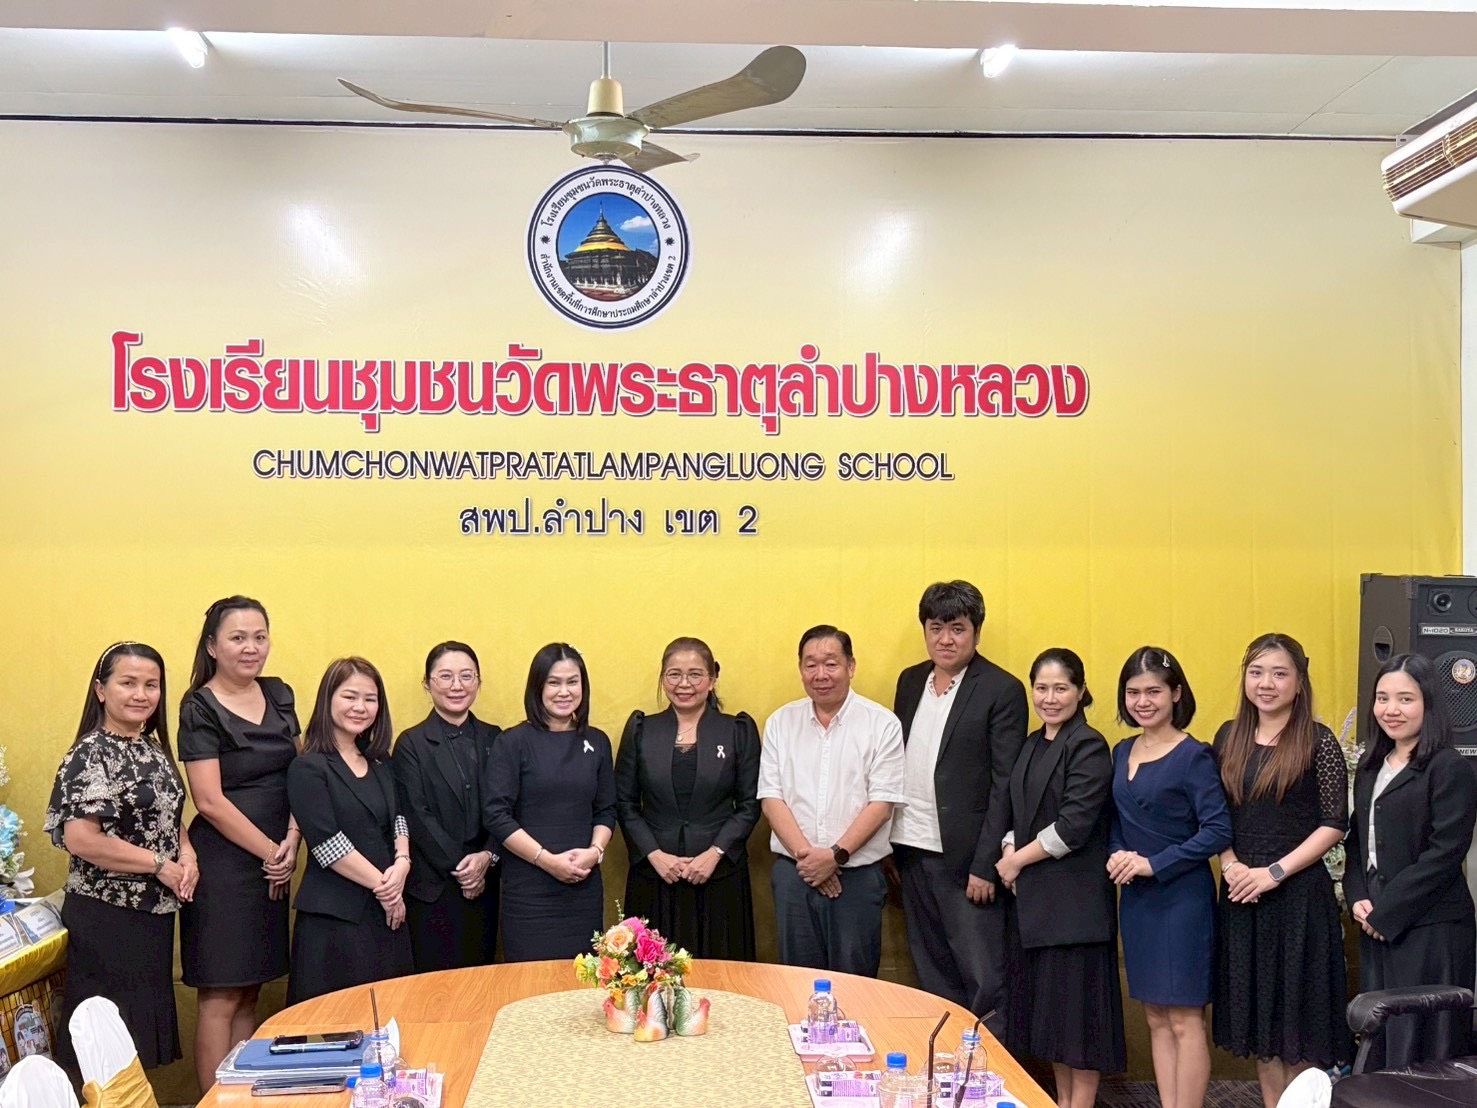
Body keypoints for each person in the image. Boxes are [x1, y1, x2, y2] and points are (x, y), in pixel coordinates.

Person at [1211, 633, 1351, 1108]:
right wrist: (1230, 864)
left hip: (1298, 898)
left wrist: (1273, 872)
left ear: (1299, 681)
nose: (1266, 684)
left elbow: (1334, 823)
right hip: (1241, 896)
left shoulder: (1319, 741)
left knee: (1300, 1026)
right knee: (1262, 1029)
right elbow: (1216, 815)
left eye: (1279, 673)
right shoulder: (1228, 736)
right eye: (1256, 672)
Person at [45, 642, 195, 1071]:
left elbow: (166, 816)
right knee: (102, 1046)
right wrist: (160, 865)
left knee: (136, 1044)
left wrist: (187, 854)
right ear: (101, 689)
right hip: (106, 914)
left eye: (151, 685)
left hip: (153, 915)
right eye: (128, 683)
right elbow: (82, 839)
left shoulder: (153, 749)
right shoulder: (90, 753)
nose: (141, 694)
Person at [177, 597, 301, 1092]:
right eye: (237, 638)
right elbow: (208, 801)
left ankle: (243, 1096)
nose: (251, 648)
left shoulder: (280, 693)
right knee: (221, 995)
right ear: (212, 646)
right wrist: (272, 852)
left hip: (277, 858)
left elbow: (302, 772)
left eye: (259, 637)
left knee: (251, 990)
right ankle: (213, 1101)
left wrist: (292, 840)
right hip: (225, 866)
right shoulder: (198, 707)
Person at [890, 580, 1025, 1030]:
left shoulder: (1001, 689)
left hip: (967, 861)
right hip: (911, 850)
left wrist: (985, 865)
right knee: (932, 973)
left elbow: (1005, 784)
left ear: (976, 632)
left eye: (957, 628)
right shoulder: (910, 681)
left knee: (984, 978)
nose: (945, 639)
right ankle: (945, 1061)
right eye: (936, 628)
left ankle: (992, 1068)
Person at [996, 649, 1125, 1108]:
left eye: (1061, 688)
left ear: (1081, 691)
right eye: (1042, 688)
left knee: (1080, 1029)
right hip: (1037, 908)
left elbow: (1073, 826)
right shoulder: (1033, 743)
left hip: (1075, 912)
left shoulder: (1088, 745)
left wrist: (1016, 862)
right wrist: (1009, 847)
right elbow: (1019, 812)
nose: (1050, 698)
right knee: (1053, 1028)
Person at [1108, 646, 1231, 1108]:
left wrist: (1153, 864)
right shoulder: (1122, 750)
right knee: (1155, 1017)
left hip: (1182, 901)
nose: (1143, 701)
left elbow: (1217, 830)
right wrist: (1118, 855)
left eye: (1153, 692)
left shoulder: (1194, 755)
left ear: (1176, 693)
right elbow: (1115, 821)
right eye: (1133, 692)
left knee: (1184, 1019)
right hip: (1137, 901)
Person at [1345, 653, 1477, 1069]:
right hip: (1376, 922)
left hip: (1431, 928)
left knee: (1427, 1045)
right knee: (1383, 1040)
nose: (1391, 709)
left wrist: (1386, 910)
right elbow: (1357, 842)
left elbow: (1445, 853)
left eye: (1405, 699)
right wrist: (1357, 896)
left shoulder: (1449, 767)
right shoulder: (1371, 767)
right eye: (1382, 698)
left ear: (1428, 704)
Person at [758, 625, 906, 976]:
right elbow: (771, 798)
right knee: (796, 981)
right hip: (795, 874)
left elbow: (882, 805)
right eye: (810, 665)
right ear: (800, 668)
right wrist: (811, 861)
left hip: (857, 877)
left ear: (850, 666)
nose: (820, 674)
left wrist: (835, 856)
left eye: (831, 663)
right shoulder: (781, 722)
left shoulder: (882, 724)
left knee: (855, 983)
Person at [615, 637, 761, 958]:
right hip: (655, 875)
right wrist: (654, 854)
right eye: (674, 674)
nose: (684, 684)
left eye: (695, 674)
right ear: (663, 678)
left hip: (719, 876)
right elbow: (625, 803)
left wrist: (715, 853)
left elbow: (750, 804)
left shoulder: (737, 730)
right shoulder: (642, 729)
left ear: (712, 678)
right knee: (651, 975)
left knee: (721, 974)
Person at [285, 657, 412, 1004]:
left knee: (390, 1015)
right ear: (328, 699)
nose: (360, 707)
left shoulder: (381, 762)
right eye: (349, 696)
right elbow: (327, 844)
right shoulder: (307, 767)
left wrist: (403, 862)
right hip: (335, 920)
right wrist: (386, 889)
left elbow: (399, 817)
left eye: (370, 699)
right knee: (338, 1022)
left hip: (385, 913)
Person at [483, 643, 616, 962]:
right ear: (537, 687)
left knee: (584, 982)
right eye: (554, 682)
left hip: (583, 889)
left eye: (572, 682)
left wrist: (595, 853)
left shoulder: (597, 741)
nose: (564, 691)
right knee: (530, 983)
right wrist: (548, 861)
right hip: (529, 892)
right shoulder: (512, 742)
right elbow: (496, 815)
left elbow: (606, 810)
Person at [391, 641, 501, 972]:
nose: (457, 685)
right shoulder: (411, 743)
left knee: (482, 981)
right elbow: (416, 814)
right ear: (427, 683)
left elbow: (506, 806)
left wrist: (488, 856)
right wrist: (466, 870)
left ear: (478, 682)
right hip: (434, 888)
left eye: (467, 676)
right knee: (434, 985)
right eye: (445, 676)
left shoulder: (496, 738)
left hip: (488, 884)